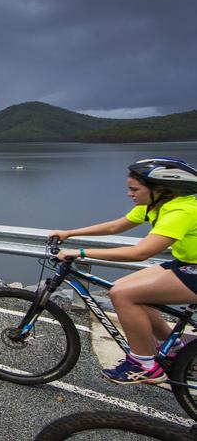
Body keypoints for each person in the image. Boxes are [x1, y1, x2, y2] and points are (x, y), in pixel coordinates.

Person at [49, 157, 197, 385]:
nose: (129, 194)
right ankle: (174, 346)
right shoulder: (155, 205)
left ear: (161, 189)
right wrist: (69, 232)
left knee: (123, 294)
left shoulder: (181, 211)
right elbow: (115, 226)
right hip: (187, 263)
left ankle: (144, 364)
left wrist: (79, 252)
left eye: (134, 189)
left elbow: (139, 253)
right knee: (122, 286)